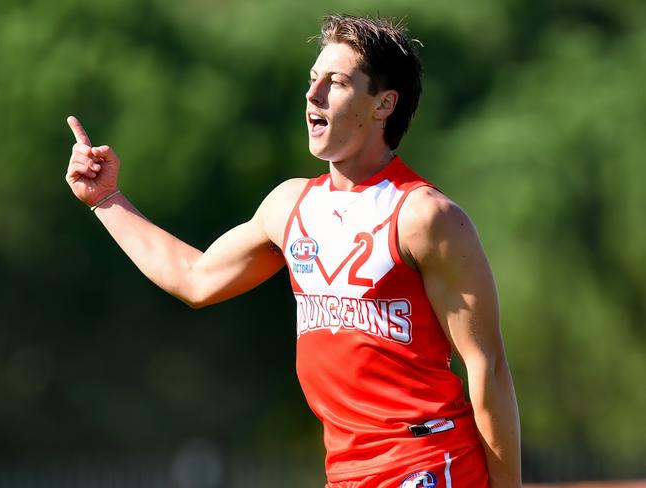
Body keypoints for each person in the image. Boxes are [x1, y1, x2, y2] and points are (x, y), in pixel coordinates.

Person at [66, 14, 521, 488]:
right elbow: (194, 278)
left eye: (336, 82)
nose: (313, 94)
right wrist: (106, 199)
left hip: (428, 463)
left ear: (384, 104)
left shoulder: (426, 217)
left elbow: (487, 368)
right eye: (312, 80)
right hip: (345, 473)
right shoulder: (290, 205)